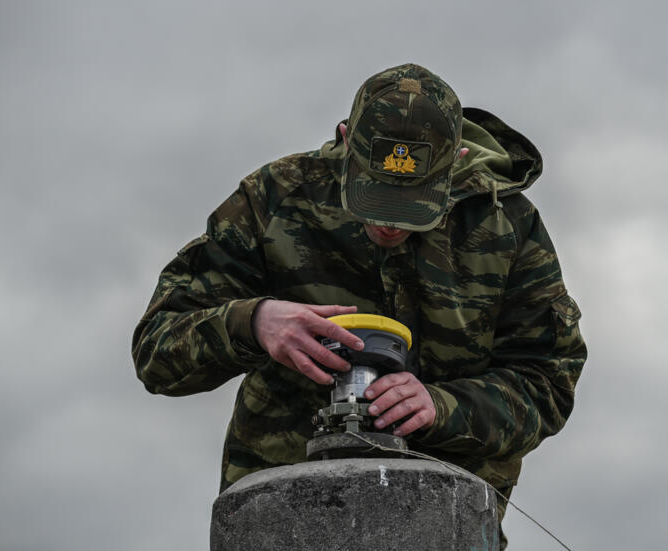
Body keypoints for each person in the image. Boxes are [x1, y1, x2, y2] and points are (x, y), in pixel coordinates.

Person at [131, 63, 587, 548]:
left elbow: (548, 382)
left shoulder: (506, 227)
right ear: (348, 141)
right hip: (283, 520)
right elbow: (156, 351)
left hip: (440, 523)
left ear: (457, 158)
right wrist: (254, 322)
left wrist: (442, 406)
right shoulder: (276, 199)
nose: (390, 225)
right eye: (374, 196)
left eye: (411, 203)